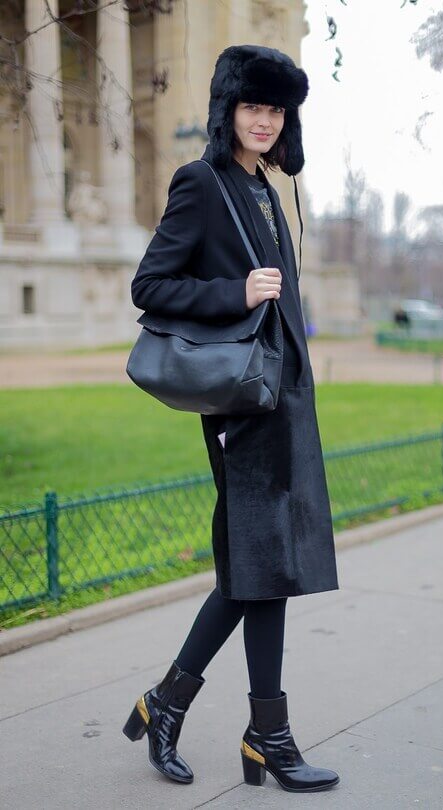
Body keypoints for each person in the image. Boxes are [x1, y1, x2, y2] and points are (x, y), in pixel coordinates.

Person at [123, 45, 340, 794]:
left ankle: (174, 707)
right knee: (261, 567)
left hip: (284, 403)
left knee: (260, 571)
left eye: (275, 109)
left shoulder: (267, 189)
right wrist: (235, 292)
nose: (264, 121)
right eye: (253, 106)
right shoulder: (203, 182)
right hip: (240, 407)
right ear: (228, 110)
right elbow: (150, 285)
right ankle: (263, 736)